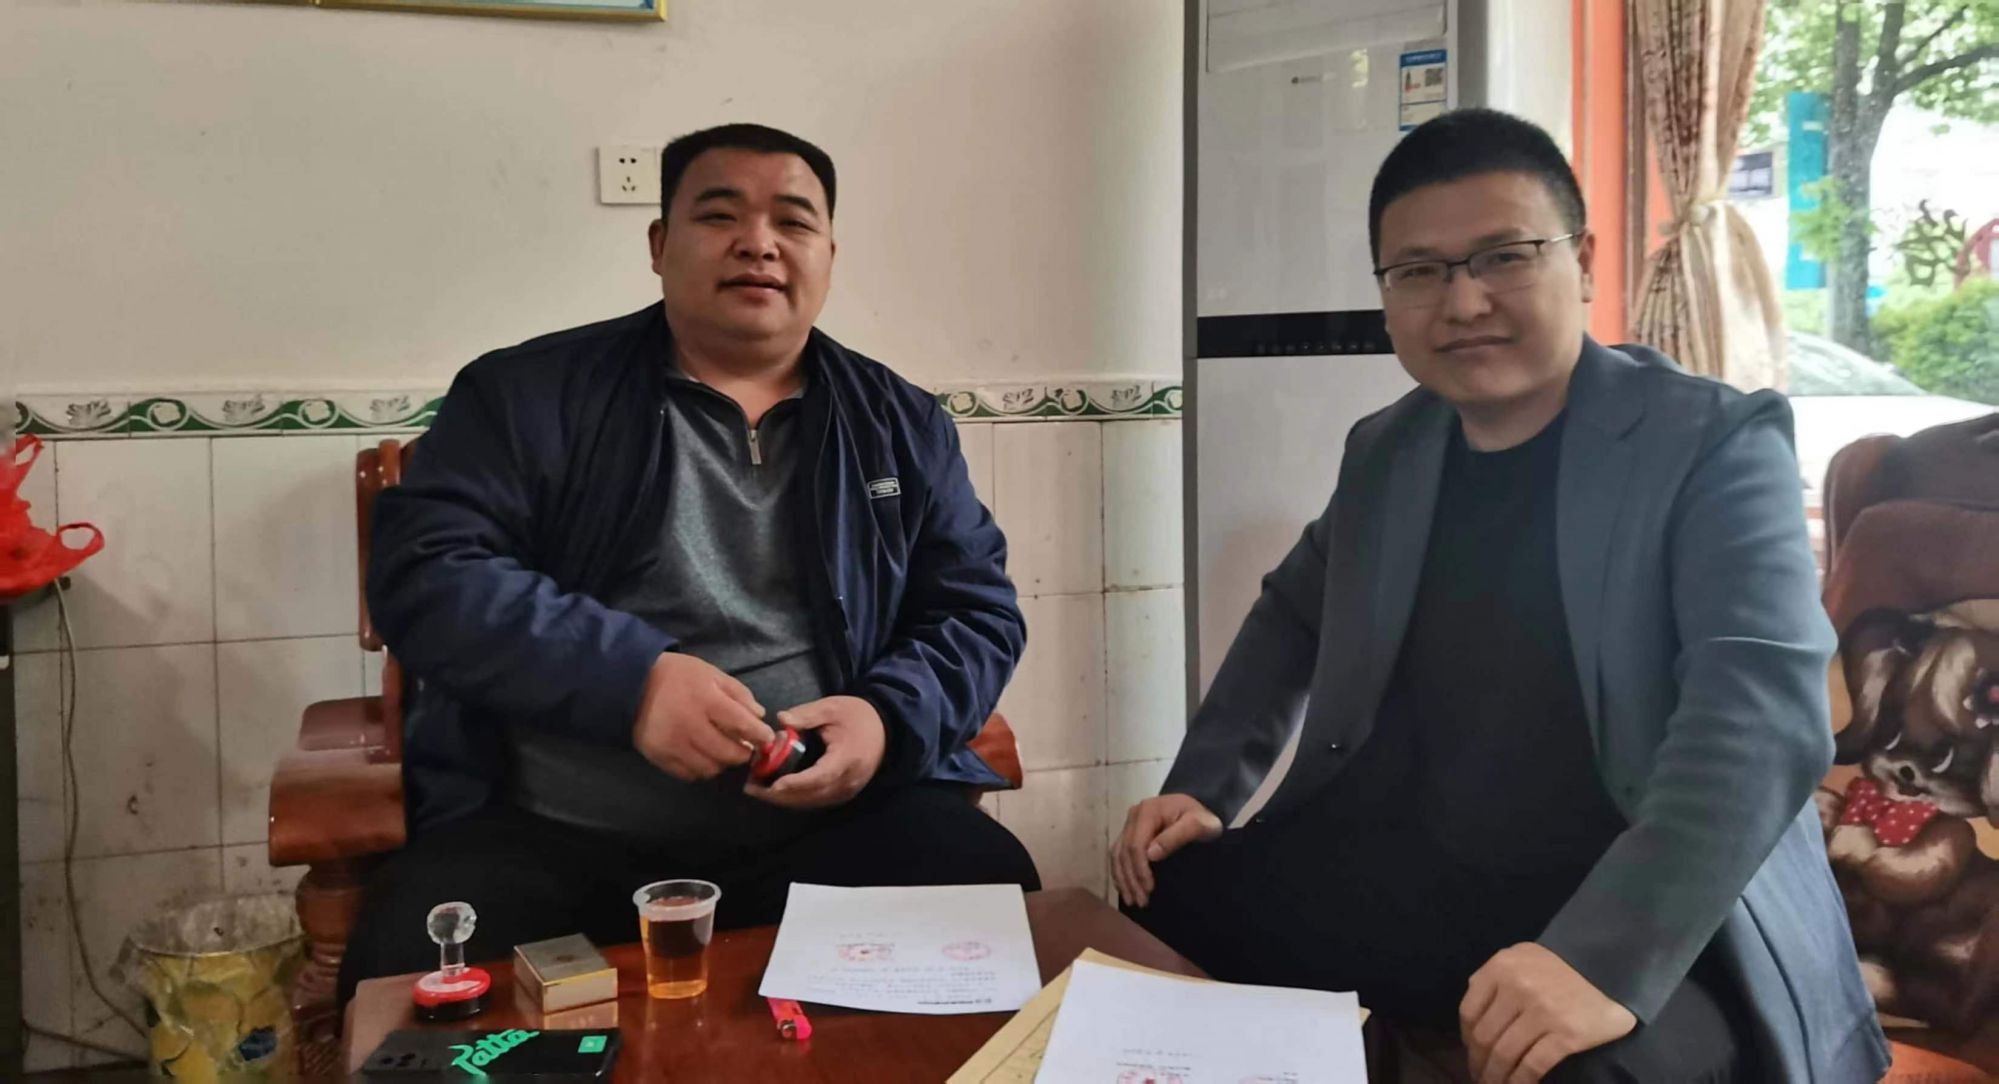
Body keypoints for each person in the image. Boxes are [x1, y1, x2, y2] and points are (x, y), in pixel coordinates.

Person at [1114, 109, 1886, 1084]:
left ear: (1584, 261)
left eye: (1504, 257)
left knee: (1569, 1064)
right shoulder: (1387, 450)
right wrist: (1203, 787)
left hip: (1653, 900)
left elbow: (1762, 717)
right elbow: (1290, 614)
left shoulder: (1711, 443)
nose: (1463, 301)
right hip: (1424, 871)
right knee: (1161, 891)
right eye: (1418, 271)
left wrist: (1596, 958)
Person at [339, 123, 1037, 1002]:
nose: (759, 243)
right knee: (405, 967)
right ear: (659, 245)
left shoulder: (900, 422)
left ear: (827, 255)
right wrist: (629, 682)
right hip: (555, 833)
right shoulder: (525, 395)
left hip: (832, 828)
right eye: (719, 215)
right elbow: (428, 573)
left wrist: (886, 720)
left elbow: (976, 612)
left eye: (793, 221)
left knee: (990, 897)